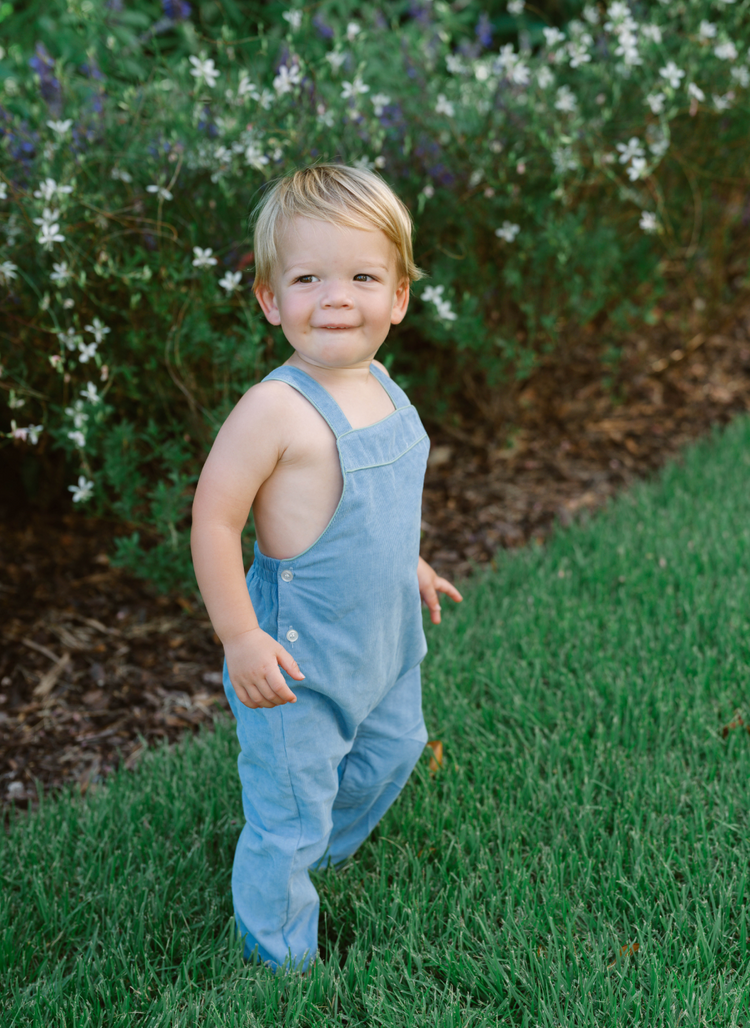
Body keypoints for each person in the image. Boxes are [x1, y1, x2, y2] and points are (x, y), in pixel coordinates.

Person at [190, 163, 462, 972]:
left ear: (399, 298)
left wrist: (408, 562)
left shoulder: (379, 382)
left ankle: (316, 852)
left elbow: (369, 506)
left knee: (394, 750)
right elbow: (215, 519)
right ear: (272, 300)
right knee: (289, 808)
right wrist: (241, 638)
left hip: (382, 639)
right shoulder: (274, 408)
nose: (336, 297)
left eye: (362, 277)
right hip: (296, 659)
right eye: (309, 278)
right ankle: (280, 961)